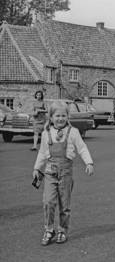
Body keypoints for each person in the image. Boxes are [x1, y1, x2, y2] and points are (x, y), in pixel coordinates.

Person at [33, 101, 94, 246]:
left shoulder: (73, 132)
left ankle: (62, 230)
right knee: (48, 202)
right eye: (57, 116)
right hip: (49, 172)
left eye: (63, 115)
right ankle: (49, 229)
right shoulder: (46, 133)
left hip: (66, 173)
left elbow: (82, 148)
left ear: (68, 116)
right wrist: (36, 168)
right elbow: (42, 153)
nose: (60, 119)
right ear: (51, 117)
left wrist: (89, 162)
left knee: (64, 204)